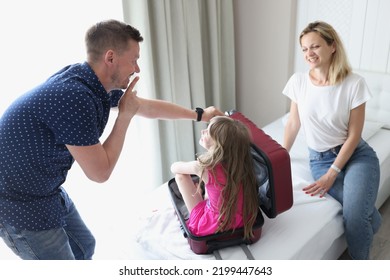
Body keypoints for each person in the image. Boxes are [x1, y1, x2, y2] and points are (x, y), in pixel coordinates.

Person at [0, 19, 223, 260]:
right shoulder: (74, 97)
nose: (137, 69)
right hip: (19, 205)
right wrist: (125, 116)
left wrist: (199, 114)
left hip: (44, 189)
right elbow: (100, 173)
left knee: (85, 246)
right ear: (110, 58)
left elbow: (145, 107)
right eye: (134, 60)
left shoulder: (88, 80)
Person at [282, 21, 381, 259]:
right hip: (320, 160)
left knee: (355, 216)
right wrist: (280, 156)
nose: (309, 54)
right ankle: (369, 226)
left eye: (315, 46)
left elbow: (355, 135)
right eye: (304, 49)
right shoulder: (298, 81)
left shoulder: (354, 83)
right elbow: (293, 123)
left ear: (332, 46)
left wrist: (333, 173)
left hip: (357, 155)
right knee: (363, 215)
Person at [170, 116, 259, 239]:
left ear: (218, 144)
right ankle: (203, 196)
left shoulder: (204, 167)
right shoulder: (240, 164)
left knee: (180, 176)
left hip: (212, 225)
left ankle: (200, 200)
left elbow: (174, 167)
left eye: (208, 131)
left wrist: (197, 166)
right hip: (241, 220)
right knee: (216, 188)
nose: (203, 131)